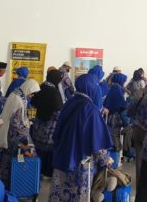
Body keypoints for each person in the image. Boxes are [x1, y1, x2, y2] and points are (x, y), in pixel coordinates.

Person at [48, 74, 113, 202]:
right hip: (80, 162)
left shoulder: (70, 103)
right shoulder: (91, 110)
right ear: (90, 87)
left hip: (62, 157)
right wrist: (105, 160)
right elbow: (97, 142)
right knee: (76, 195)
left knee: (60, 194)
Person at [0, 79, 40, 186]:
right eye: (32, 93)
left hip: (8, 131)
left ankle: (3, 182)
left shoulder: (17, 94)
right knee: (16, 156)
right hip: (12, 134)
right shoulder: (19, 100)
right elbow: (15, 123)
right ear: (28, 89)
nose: (32, 96)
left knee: (6, 158)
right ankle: (14, 183)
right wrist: (25, 133)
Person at [31, 69, 64, 178]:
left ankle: (37, 171)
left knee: (38, 147)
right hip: (50, 125)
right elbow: (59, 110)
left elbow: (33, 102)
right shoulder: (54, 92)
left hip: (38, 123)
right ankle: (47, 172)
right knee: (48, 149)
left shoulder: (41, 86)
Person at [103, 73, 128, 152]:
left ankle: (115, 154)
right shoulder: (117, 88)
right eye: (124, 81)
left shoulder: (115, 87)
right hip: (114, 116)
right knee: (114, 136)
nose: (124, 82)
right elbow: (120, 103)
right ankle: (115, 157)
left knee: (113, 135)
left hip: (112, 115)